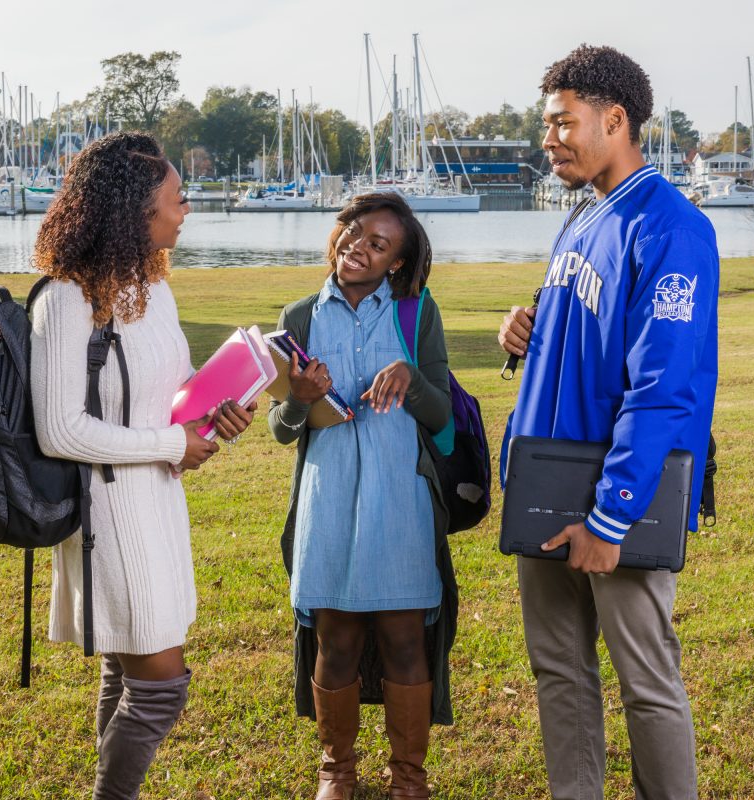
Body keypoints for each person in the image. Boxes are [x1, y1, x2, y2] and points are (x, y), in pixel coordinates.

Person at [497, 45, 719, 800]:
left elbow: (663, 389)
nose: (548, 139)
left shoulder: (672, 228)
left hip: (617, 500)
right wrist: (525, 330)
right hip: (547, 484)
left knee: (644, 678)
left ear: (615, 119)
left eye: (563, 123)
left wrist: (612, 515)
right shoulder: (581, 217)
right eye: (547, 124)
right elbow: (585, 334)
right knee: (559, 670)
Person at [29, 131, 256, 800]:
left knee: (127, 671)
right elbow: (60, 429)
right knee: (160, 684)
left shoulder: (151, 289)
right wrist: (171, 445)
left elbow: (169, 392)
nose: (186, 210)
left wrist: (215, 414)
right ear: (135, 208)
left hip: (158, 500)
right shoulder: (66, 298)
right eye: (177, 198)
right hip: (106, 511)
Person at [267, 192, 457, 800]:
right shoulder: (299, 317)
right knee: (336, 636)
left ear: (396, 262)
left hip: (400, 500)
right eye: (353, 233)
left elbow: (444, 421)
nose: (358, 248)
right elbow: (281, 430)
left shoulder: (416, 314)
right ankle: (336, 771)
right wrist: (299, 398)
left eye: (378, 244)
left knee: (404, 636)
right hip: (326, 501)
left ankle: (409, 778)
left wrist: (412, 379)